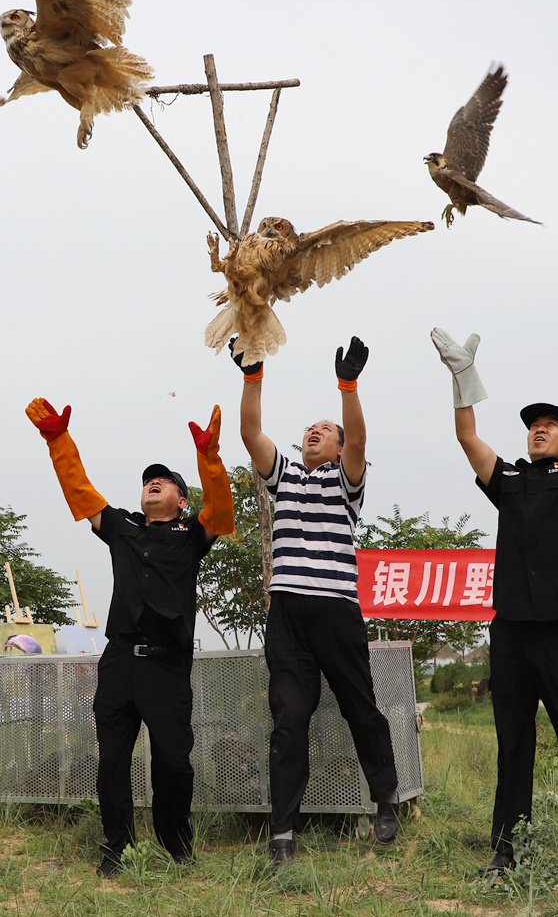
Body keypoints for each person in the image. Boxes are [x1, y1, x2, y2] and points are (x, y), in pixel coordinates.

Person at [431, 304, 558, 899]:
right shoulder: (512, 482)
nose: (537, 429)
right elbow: (467, 436)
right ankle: (507, 855)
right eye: (532, 424)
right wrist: (462, 380)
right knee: (513, 747)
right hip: (513, 635)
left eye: (550, 424)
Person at [24, 397, 234, 876]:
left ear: (182, 499)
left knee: (175, 765)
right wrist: (58, 440)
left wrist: (209, 458)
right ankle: (117, 845)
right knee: (112, 763)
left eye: (164, 481)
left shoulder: (192, 534)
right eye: (146, 481)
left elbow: (220, 509)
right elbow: (81, 493)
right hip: (119, 662)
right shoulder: (122, 528)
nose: (152, 483)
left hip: (166, 665)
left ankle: (176, 845)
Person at [235, 336, 401, 863]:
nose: (315, 431)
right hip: (286, 615)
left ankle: (386, 796)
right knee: (288, 720)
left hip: (335, 611)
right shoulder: (282, 479)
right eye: (310, 427)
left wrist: (347, 388)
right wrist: (252, 377)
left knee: (361, 709)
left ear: (337, 446)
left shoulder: (346, 481)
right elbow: (250, 433)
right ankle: (282, 831)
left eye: (326, 429)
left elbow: (360, 443)